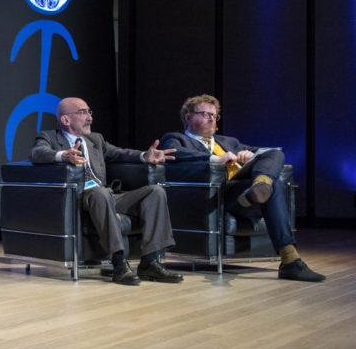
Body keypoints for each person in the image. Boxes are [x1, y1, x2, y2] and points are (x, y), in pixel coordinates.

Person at [161, 94, 325, 282]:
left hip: (243, 192)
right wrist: (216, 159)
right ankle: (289, 260)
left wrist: (249, 155)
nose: (211, 119)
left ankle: (260, 188)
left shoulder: (230, 142)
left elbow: (265, 155)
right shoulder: (175, 139)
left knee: (274, 154)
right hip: (218, 195)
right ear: (188, 117)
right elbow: (176, 154)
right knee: (275, 186)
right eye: (204, 114)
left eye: (214, 116)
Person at [30, 97, 183, 285]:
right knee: (100, 193)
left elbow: (120, 153)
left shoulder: (95, 139)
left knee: (155, 191)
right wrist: (63, 155)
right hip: (78, 197)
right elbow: (37, 153)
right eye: (82, 112)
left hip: (106, 194)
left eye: (89, 112)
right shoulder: (49, 137)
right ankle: (118, 263)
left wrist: (145, 156)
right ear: (65, 120)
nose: (90, 118)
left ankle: (150, 262)